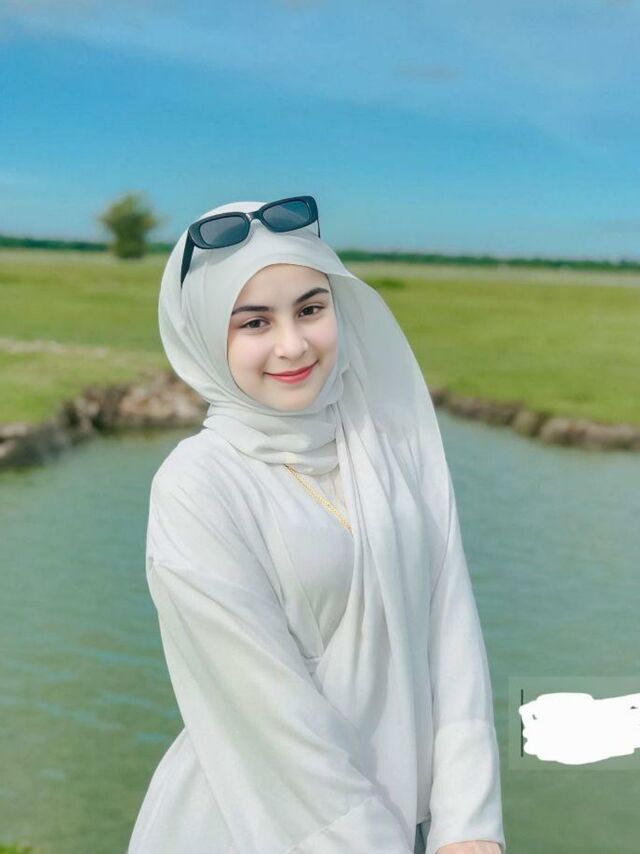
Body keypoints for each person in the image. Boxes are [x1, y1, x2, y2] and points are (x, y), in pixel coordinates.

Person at [128, 197, 506, 854]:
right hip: (257, 827)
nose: (293, 344)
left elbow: (450, 629)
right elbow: (268, 715)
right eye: (254, 322)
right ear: (204, 337)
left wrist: (468, 826)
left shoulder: (384, 441)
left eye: (310, 309)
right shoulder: (197, 485)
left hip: (409, 828)